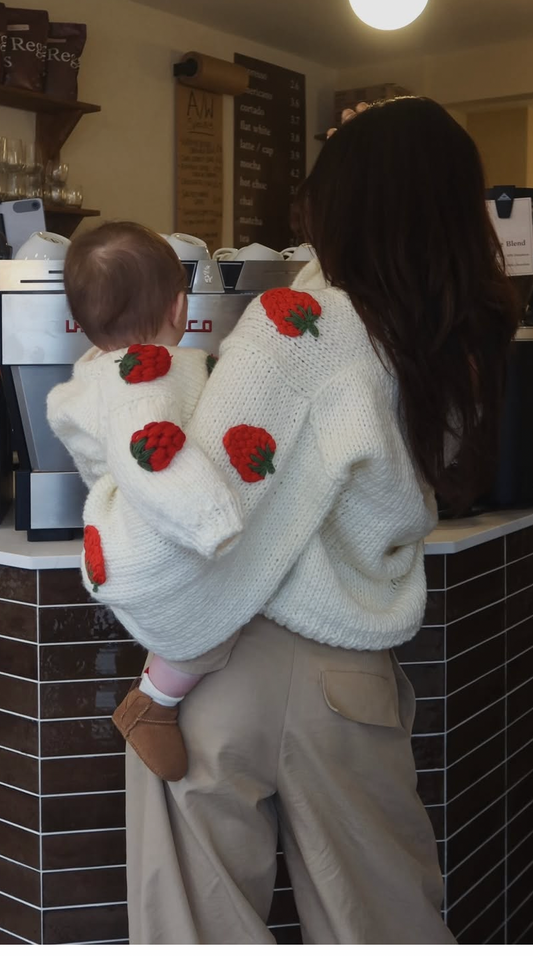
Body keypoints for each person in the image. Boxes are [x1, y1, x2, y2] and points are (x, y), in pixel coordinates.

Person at [80, 98, 519, 943]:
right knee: (388, 928)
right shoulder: (454, 341)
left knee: (197, 932)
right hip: (354, 673)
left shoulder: (304, 326)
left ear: (343, 204)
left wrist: (110, 485)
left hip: (231, 661)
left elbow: (196, 502)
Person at [47, 221, 244, 782]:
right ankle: (152, 705)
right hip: (154, 534)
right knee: (212, 627)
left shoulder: (99, 372)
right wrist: (214, 520)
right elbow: (151, 455)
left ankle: (158, 685)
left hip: (120, 533)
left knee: (197, 619)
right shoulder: (143, 382)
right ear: (181, 308)